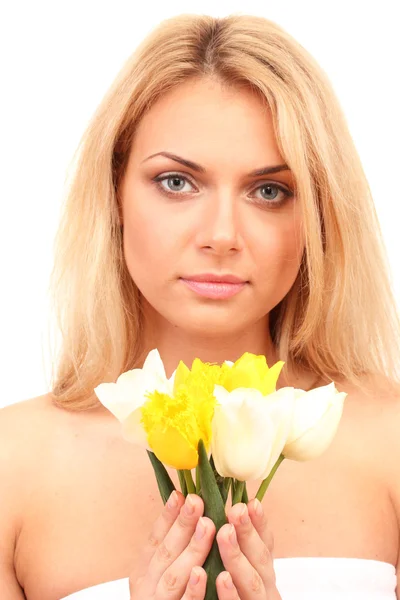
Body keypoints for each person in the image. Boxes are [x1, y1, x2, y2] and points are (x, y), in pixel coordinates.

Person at [1, 11, 400, 600]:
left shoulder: (390, 440)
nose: (221, 234)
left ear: (316, 213)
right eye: (177, 183)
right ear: (113, 193)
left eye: (269, 191)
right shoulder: (12, 467)